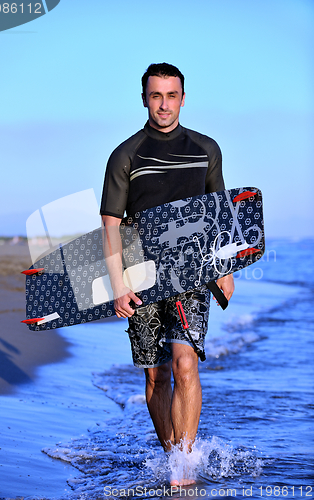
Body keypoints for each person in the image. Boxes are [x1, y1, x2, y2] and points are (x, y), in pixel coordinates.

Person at [100, 63, 234, 485]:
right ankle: (173, 453)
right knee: (156, 374)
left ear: (182, 98)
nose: (163, 104)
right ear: (144, 98)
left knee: (185, 364)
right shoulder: (127, 154)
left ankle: (183, 467)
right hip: (140, 277)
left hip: (192, 274)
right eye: (155, 95)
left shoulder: (205, 149)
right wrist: (118, 285)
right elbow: (110, 225)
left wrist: (226, 269)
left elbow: (220, 215)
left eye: (171, 95)